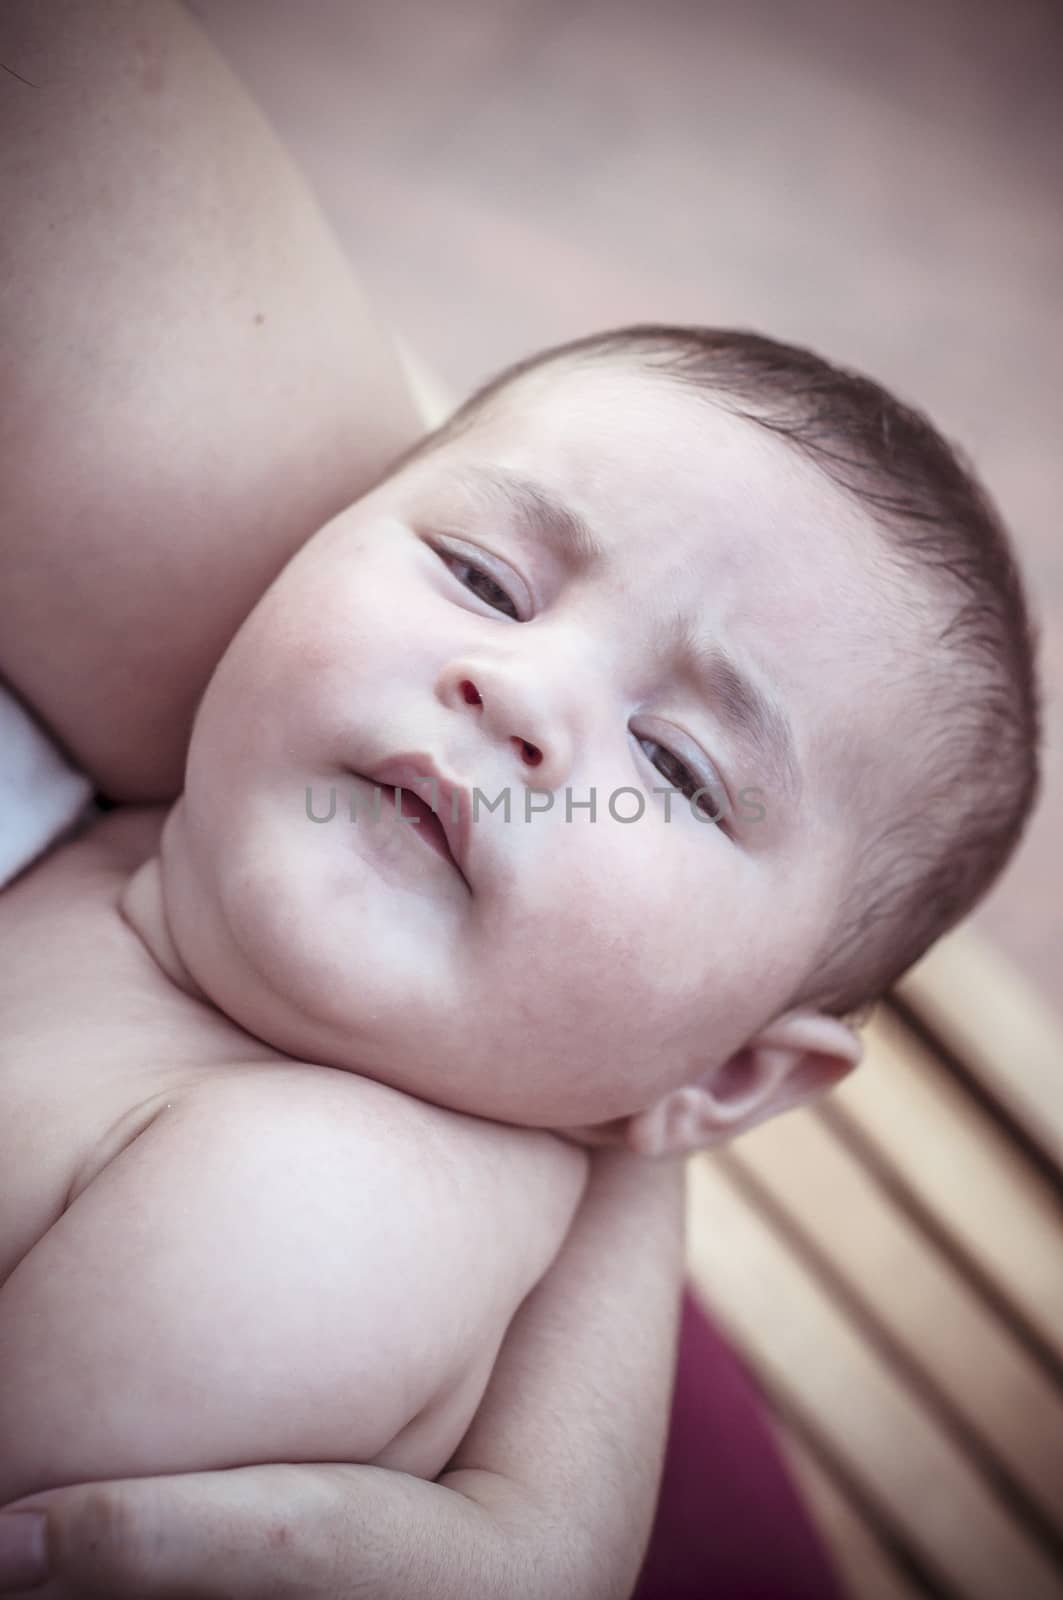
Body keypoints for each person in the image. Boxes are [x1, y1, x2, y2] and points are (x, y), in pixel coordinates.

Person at [0, 319, 1042, 1580]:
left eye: (676, 766)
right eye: (482, 577)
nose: (522, 687)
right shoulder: (149, 815)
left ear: (720, 1078)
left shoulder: (315, 1217)